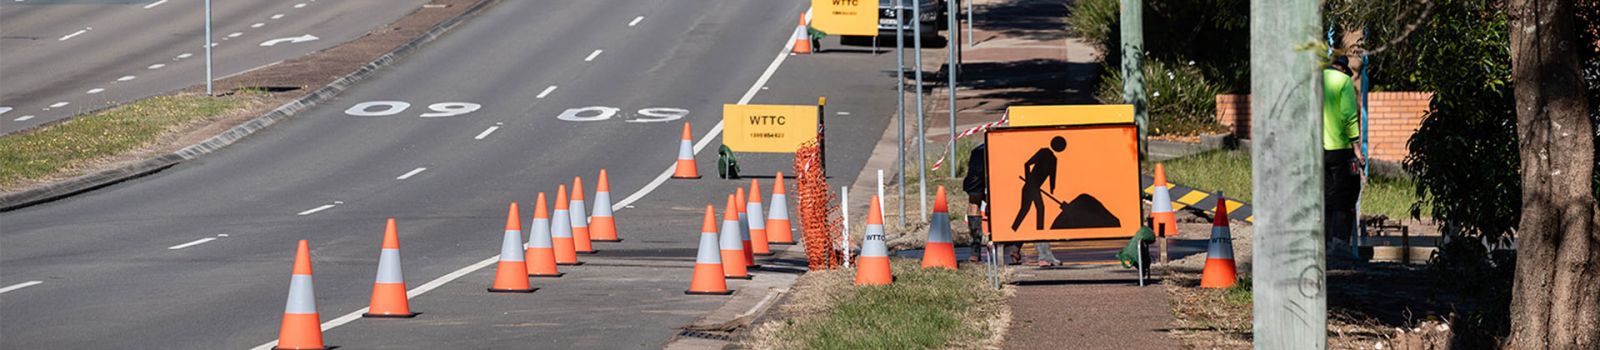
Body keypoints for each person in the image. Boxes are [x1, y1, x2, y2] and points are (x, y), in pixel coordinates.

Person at [1323, 56, 1365, 249]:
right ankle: (1339, 242)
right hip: (1339, 148)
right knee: (1344, 193)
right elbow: (1349, 116)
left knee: (1324, 194)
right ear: (1343, 69)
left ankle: (1323, 241)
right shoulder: (1344, 81)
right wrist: (1356, 147)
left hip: (1316, 149)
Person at [963, 142, 1021, 264]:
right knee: (1018, 201)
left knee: (974, 201)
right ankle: (1015, 247)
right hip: (1004, 152)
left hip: (979, 155)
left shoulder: (978, 150)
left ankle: (975, 251)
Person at [1012, 136, 1066, 231]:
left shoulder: (1054, 159)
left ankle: (1016, 228)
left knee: (1028, 209)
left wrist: (1052, 190)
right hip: (1030, 187)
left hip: (1035, 187)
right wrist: (1029, 180)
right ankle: (1038, 231)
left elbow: (1052, 177)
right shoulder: (1043, 152)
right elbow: (1027, 164)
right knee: (1032, 208)